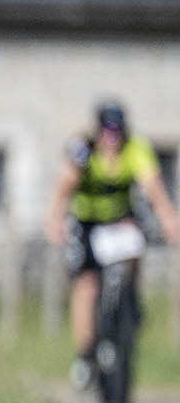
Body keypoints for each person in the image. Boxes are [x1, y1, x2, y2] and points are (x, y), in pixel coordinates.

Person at [44, 99, 180, 387]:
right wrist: (55, 219)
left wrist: (169, 218)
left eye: (117, 131)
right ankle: (85, 352)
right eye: (107, 131)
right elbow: (65, 185)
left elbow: (153, 187)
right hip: (87, 223)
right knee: (87, 285)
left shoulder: (135, 148)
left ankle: (132, 298)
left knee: (136, 246)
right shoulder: (83, 149)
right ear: (98, 130)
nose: (112, 138)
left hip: (121, 220)